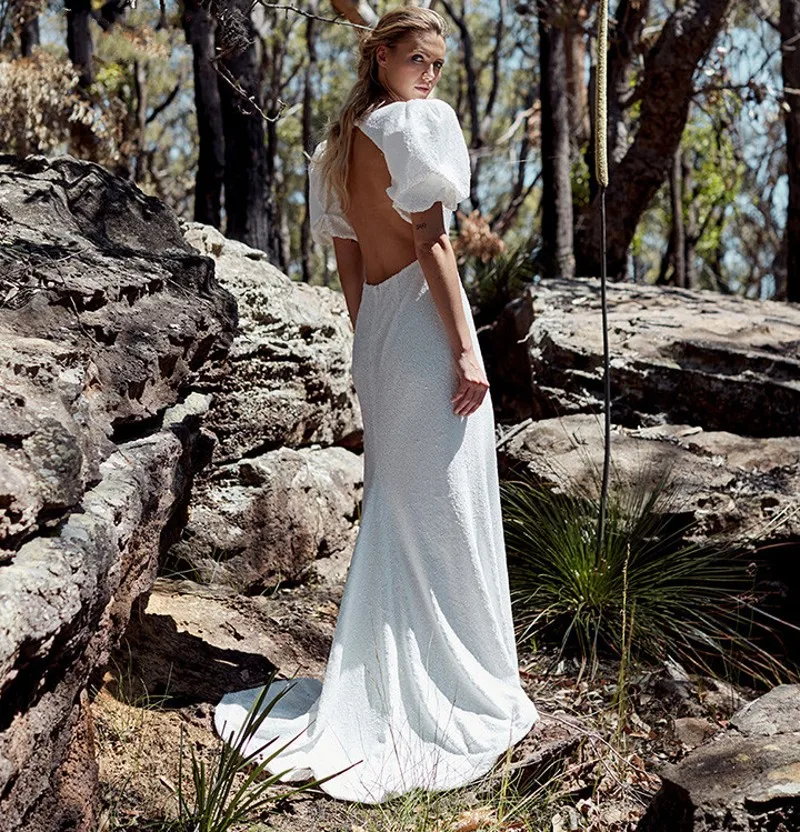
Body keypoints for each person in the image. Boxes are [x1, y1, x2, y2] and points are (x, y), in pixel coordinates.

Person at [213, 6, 539, 804]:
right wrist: (466, 347)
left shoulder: (336, 148)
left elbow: (348, 259)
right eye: (417, 58)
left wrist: (368, 344)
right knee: (452, 504)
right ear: (382, 55)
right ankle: (452, 683)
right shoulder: (416, 125)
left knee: (404, 506)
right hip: (424, 332)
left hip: (382, 337)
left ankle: (393, 677)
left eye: (438, 64)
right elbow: (432, 242)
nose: (430, 75)